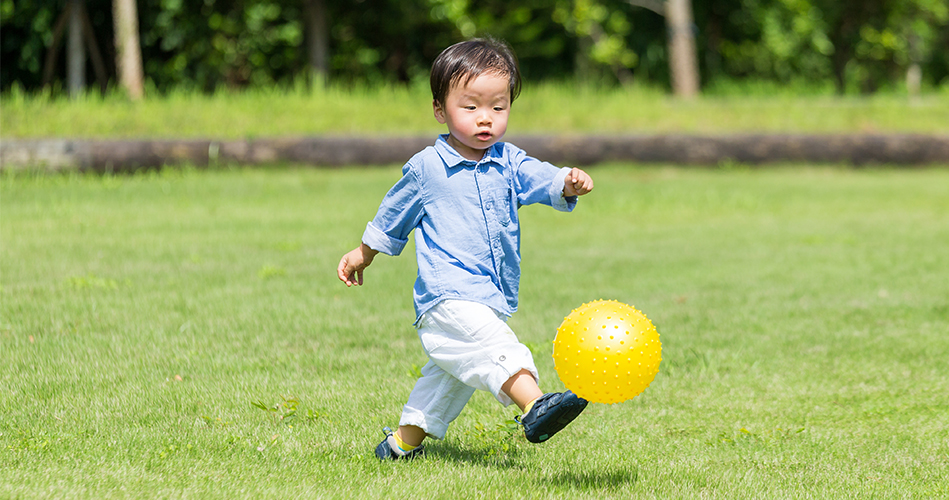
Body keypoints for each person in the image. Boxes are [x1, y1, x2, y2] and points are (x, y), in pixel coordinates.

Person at [337, 37, 594, 460]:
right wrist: (364, 253)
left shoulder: (508, 161)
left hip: (488, 294)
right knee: (496, 345)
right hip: (446, 296)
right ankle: (534, 406)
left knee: (446, 381)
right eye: (470, 106)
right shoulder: (427, 168)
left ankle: (399, 445)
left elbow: (538, 175)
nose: (486, 119)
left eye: (498, 106)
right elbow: (392, 214)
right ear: (440, 109)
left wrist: (566, 181)